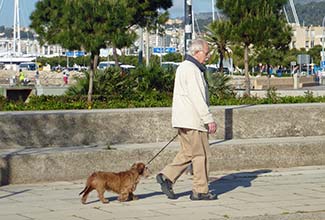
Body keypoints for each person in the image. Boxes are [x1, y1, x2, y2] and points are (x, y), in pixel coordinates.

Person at [156, 39, 218, 201]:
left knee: (187, 153)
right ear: (196, 52)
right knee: (200, 155)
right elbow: (197, 97)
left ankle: (167, 177)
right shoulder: (192, 70)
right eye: (206, 53)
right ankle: (200, 190)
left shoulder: (183, 67)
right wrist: (208, 119)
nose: (208, 56)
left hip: (183, 119)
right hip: (194, 120)